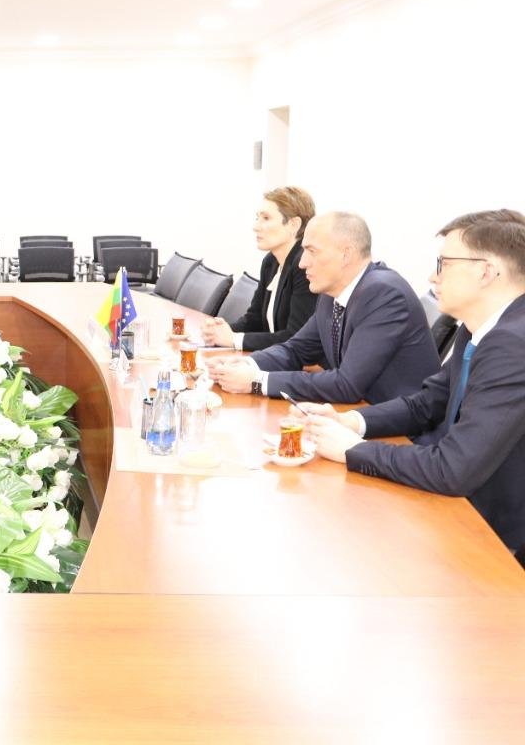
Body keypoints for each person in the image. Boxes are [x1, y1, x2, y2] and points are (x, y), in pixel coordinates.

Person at [300, 210, 525, 562]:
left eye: (444, 263)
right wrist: (352, 422)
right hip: (457, 505)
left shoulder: (513, 344)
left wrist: (352, 450)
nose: (433, 277)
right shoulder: (478, 328)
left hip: (497, 536)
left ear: (486, 272)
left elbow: (453, 469)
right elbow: (427, 402)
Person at [211, 212, 439, 403]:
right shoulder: (331, 293)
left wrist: (257, 381)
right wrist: (246, 364)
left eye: (312, 251)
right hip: (356, 415)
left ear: (346, 254)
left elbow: (347, 385)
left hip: (402, 431)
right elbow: (295, 350)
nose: (302, 263)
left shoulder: (383, 294)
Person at [201, 187, 317, 350]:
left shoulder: (304, 266)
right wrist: (221, 332)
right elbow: (254, 320)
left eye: (266, 218)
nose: (256, 226)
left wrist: (234, 339)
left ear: (293, 224)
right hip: (276, 357)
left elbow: (295, 337)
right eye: (257, 218)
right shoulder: (271, 261)